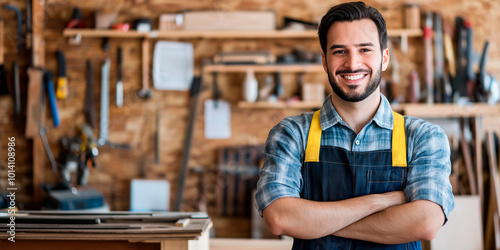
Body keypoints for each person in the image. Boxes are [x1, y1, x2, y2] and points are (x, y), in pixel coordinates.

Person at [255, 1, 454, 249]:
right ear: (325, 61)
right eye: (339, 51)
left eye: (364, 49)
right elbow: (280, 218)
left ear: (384, 58)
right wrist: (380, 202)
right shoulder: (293, 134)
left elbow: (426, 223)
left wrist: (316, 224)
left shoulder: (423, 137)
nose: (352, 63)